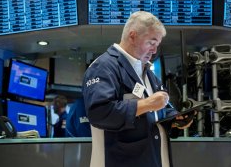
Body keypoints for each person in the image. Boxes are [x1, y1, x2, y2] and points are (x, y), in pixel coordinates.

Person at [82, 11, 192, 167]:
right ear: (132, 36)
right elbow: (100, 113)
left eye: (157, 45)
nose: (154, 50)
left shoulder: (147, 71)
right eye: (151, 43)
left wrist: (174, 118)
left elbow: (158, 110)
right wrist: (147, 104)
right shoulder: (104, 67)